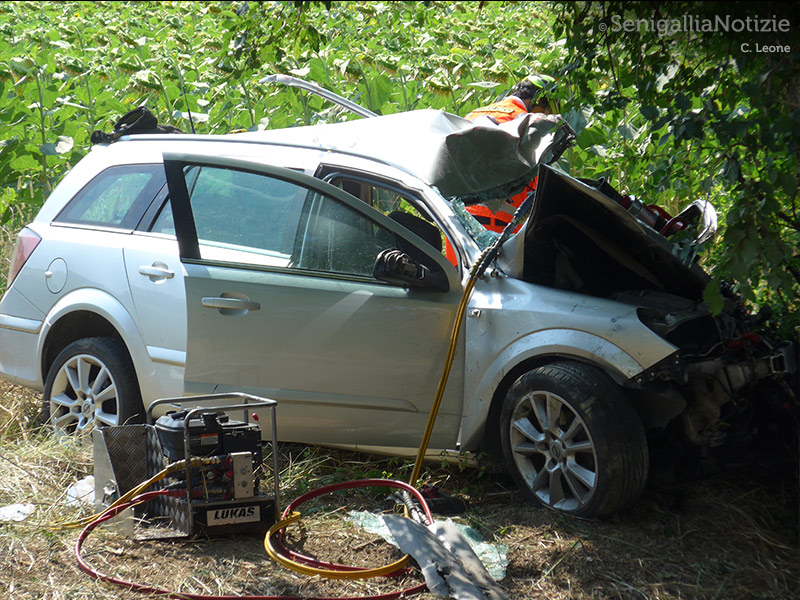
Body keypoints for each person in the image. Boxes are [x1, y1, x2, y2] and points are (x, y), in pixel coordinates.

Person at [464, 79, 552, 232]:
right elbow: (537, 179)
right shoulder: (525, 121)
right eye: (547, 111)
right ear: (538, 101)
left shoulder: (474, 113)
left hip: (460, 216)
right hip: (501, 219)